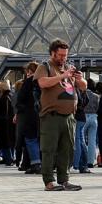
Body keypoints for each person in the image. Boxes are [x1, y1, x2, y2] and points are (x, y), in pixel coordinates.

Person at [35, 40, 83, 191]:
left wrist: (80, 79)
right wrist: (63, 76)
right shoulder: (45, 67)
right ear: (52, 53)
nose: (63, 58)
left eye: (65, 56)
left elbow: (83, 86)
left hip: (69, 116)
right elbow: (43, 83)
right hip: (51, 116)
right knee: (49, 149)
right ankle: (49, 181)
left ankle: (64, 180)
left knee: (67, 149)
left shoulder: (68, 68)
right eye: (60, 55)